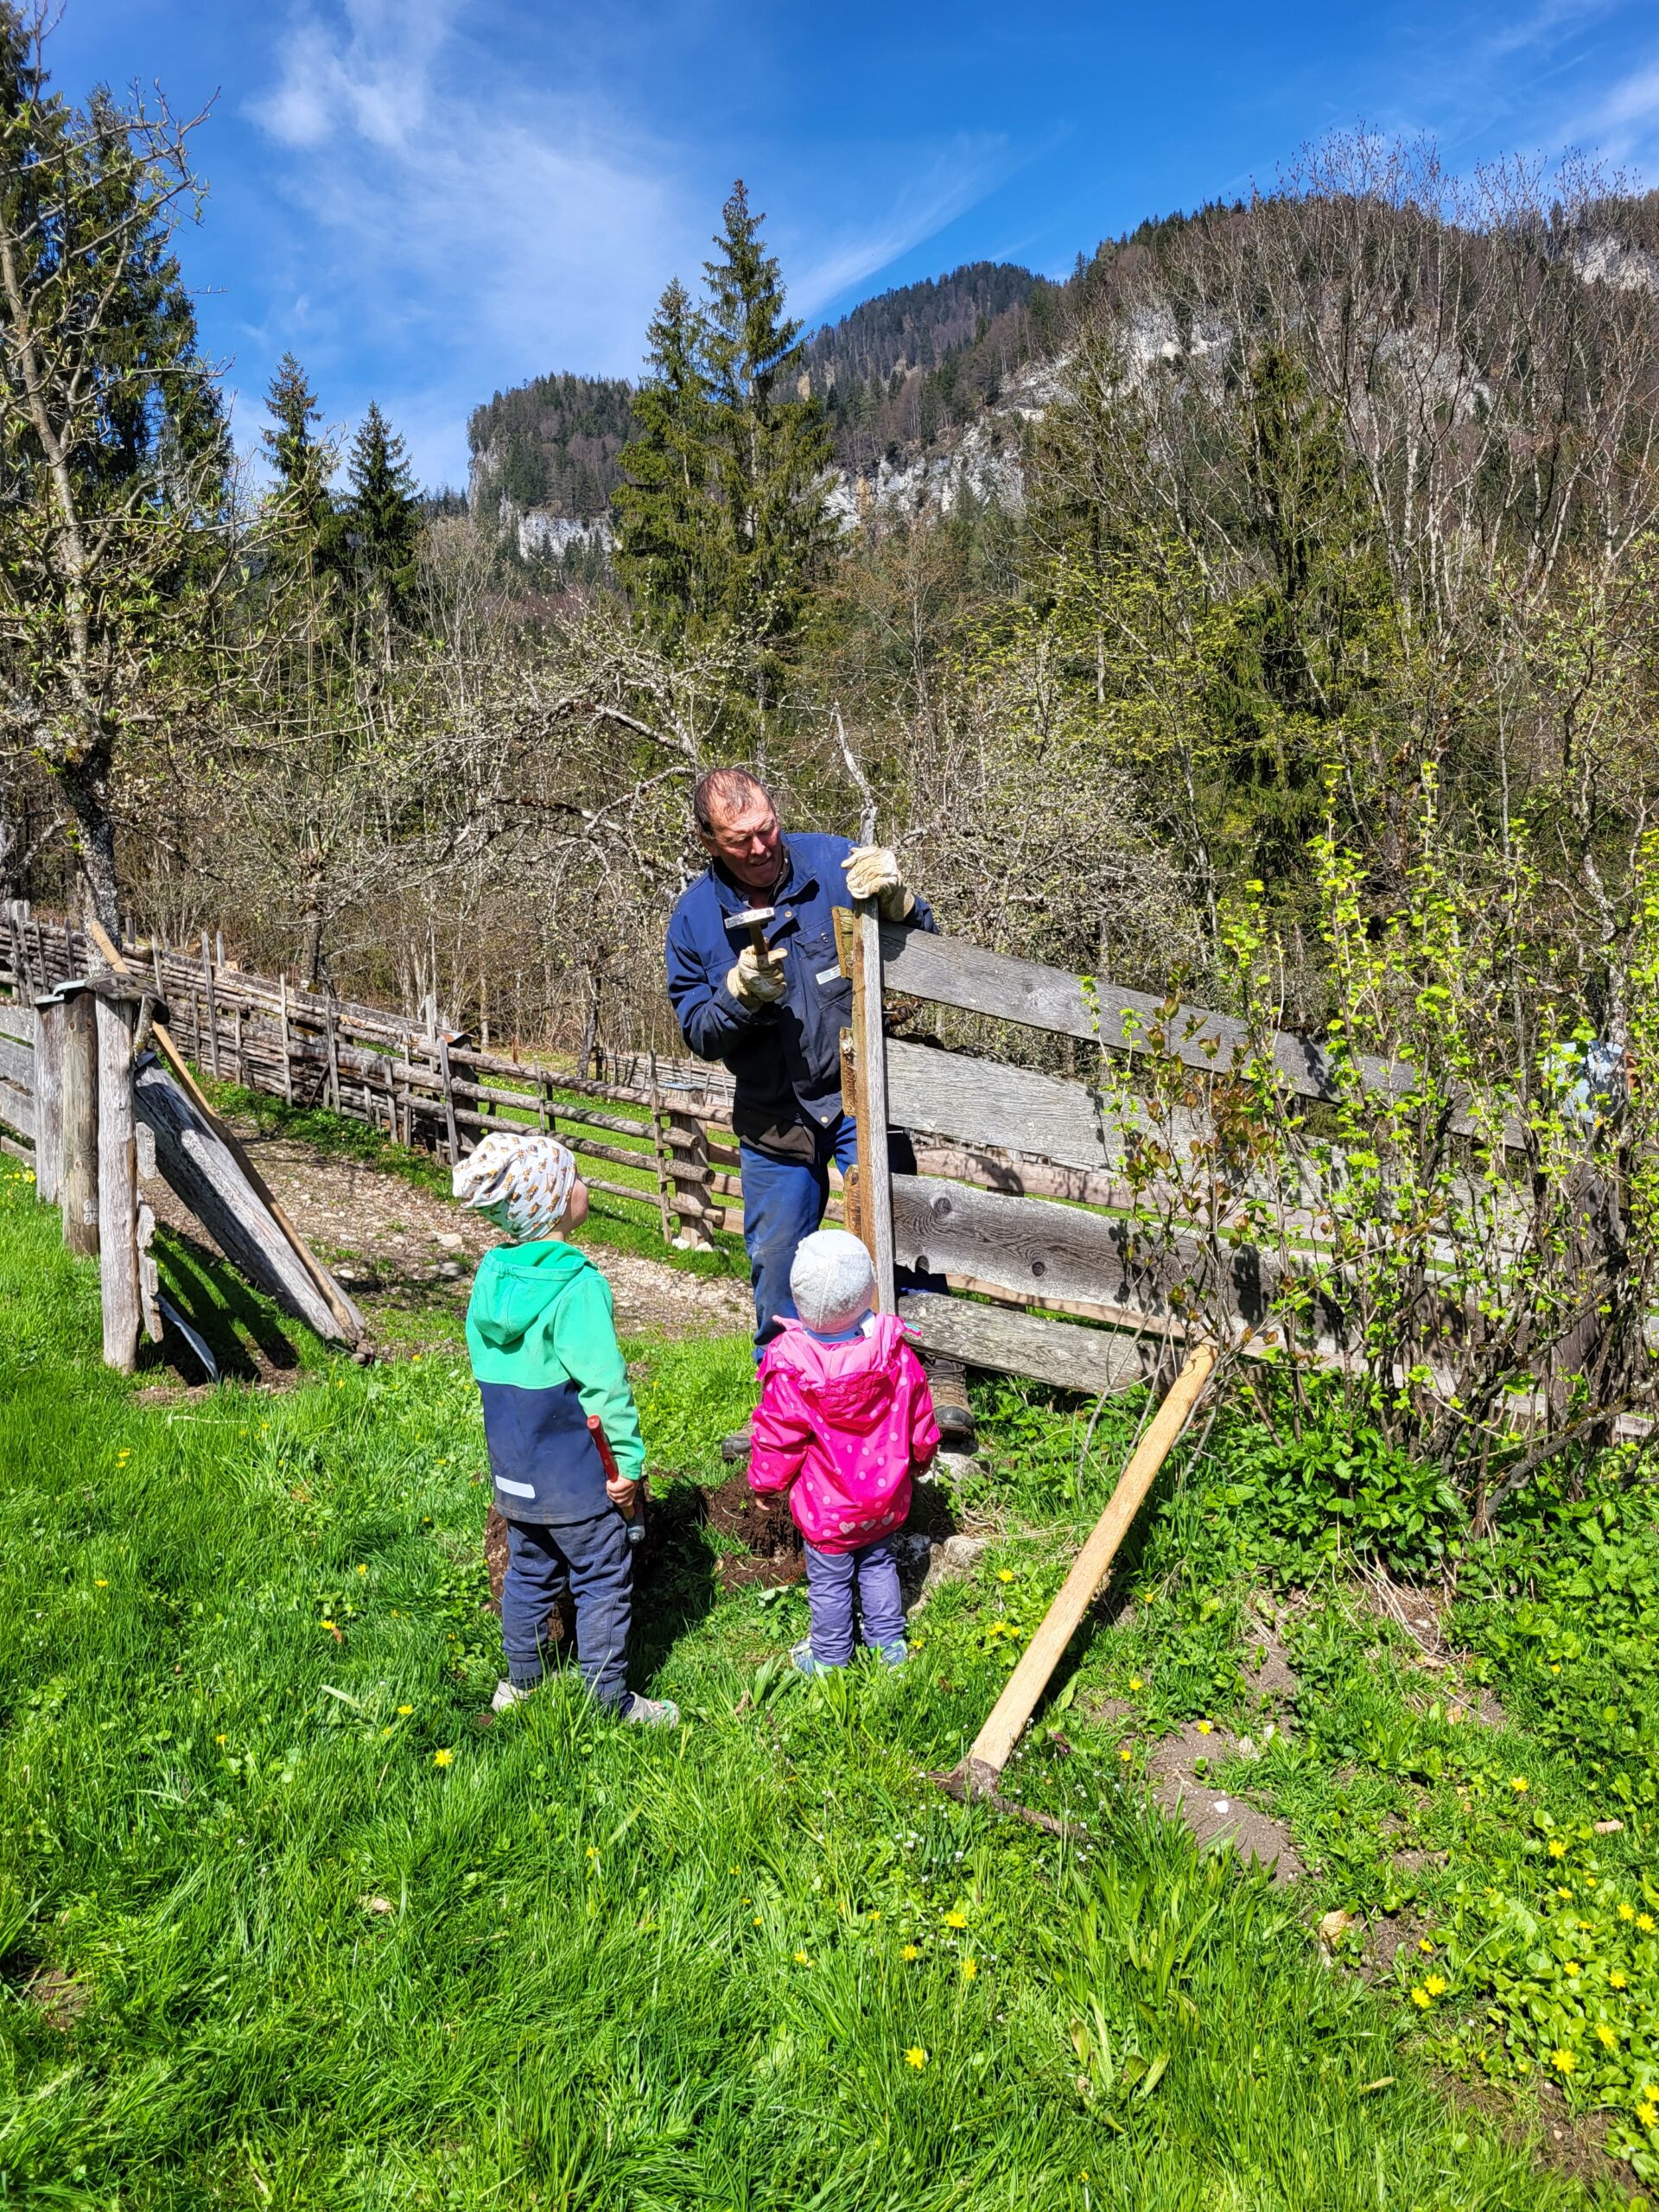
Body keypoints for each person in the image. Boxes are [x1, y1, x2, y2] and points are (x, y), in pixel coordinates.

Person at [664, 766, 938, 1354]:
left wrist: (901, 902)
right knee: (778, 1263)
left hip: (859, 1095)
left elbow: (929, 945)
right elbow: (700, 1034)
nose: (761, 847)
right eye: (740, 840)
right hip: (773, 1116)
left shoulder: (834, 866)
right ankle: (784, 1396)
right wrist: (736, 996)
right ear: (710, 842)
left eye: (767, 828)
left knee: (903, 1235)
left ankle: (929, 1376)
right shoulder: (693, 921)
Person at [455, 1130, 678, 1726]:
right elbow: (607, 1389)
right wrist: (628, 1468)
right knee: (603, 1577)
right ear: (554, 1203)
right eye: (574, 1178)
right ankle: (609, 1700)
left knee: (530, 1570)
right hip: (579, 1480)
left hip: (516, 1473)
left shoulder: (492, 1276)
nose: (584, 1185)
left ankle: (522, 1684)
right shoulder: (578, 1287)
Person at [747, 1229, 940, 1675]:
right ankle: (888, 1646)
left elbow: (777, 1434)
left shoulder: (793, 1366)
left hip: (828, 1508)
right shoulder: (891, 1352)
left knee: (831, 1582)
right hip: (884, 1500)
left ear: (797, 1297)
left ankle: (831, 1657)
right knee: (877, 1564)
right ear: (870, 1288)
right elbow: (919, 1412)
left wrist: (766, 1482)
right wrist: (923, 1454)